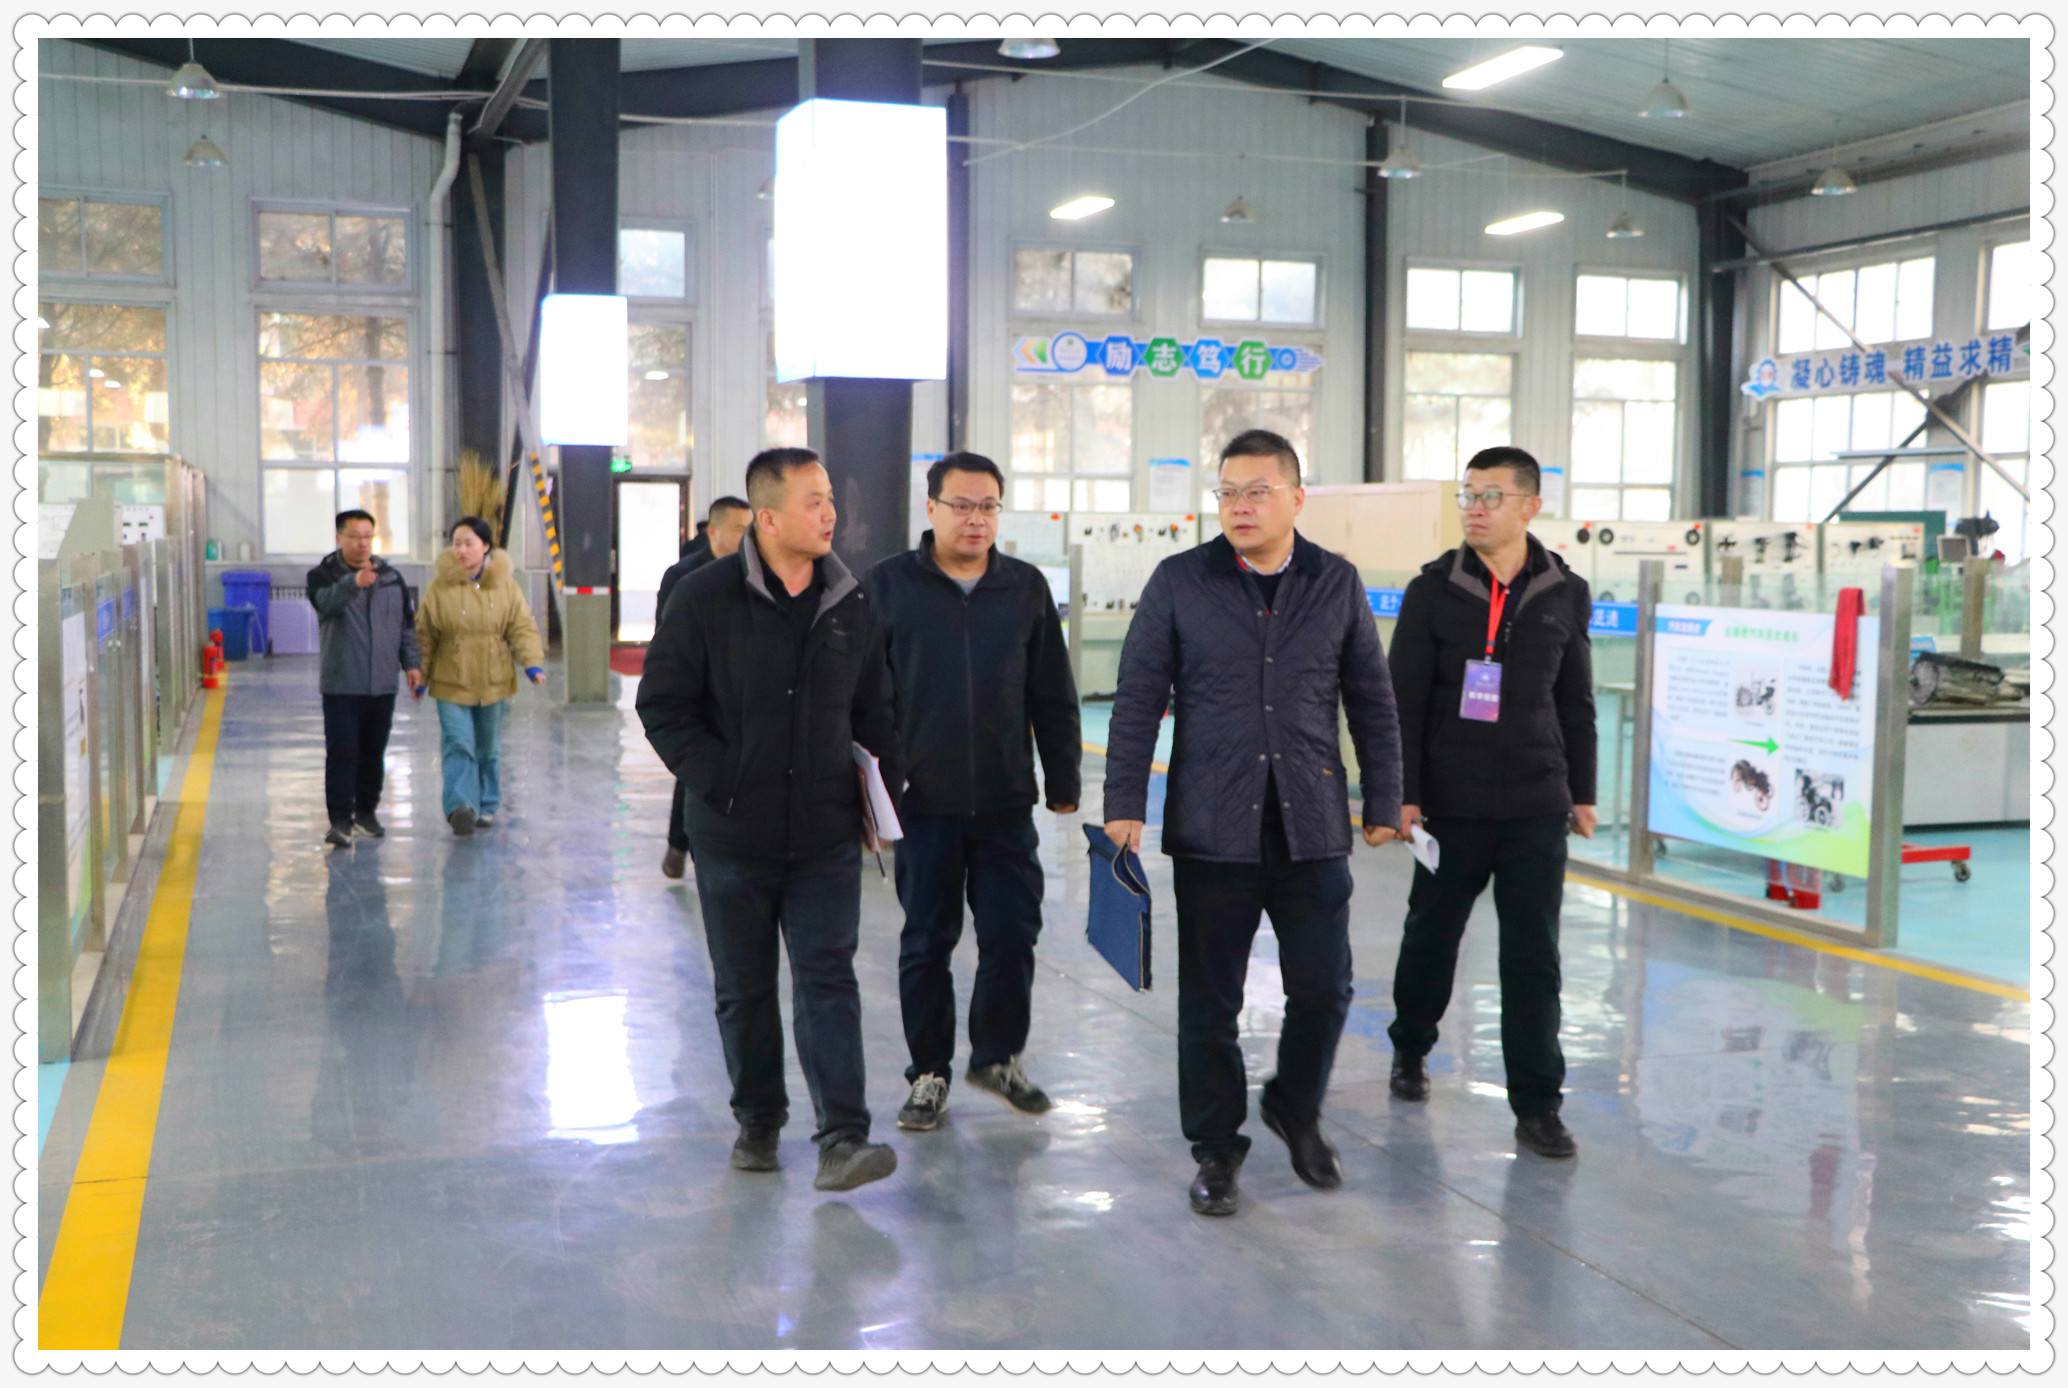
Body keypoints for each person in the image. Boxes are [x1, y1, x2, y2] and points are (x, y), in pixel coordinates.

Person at [1104, 429, 1401, 1217]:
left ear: (1297, 498)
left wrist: (1383, 798)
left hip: (1312, 823)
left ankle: (1294, 1107)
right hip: (1214, 826)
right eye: (1228, 492)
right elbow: (1137, 696)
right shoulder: (1180, 582)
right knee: (1211, 1005)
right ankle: (1215, 1150)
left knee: (1325, 988)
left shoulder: (1335, 583)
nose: (1240, 506)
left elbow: (1371, 699)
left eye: (1257, 491)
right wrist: (1123, 804)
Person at [636, 447, 903, 1192]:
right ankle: (758, 1121)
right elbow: (662, 705)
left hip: (824, 835)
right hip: (732, 838)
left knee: (828, 980)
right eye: (815, 501)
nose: (831, 514)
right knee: (744, 988)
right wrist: (721, 782)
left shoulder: (850, 600)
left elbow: (875, 709)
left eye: (831, 499)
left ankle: (844, 1137)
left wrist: (881, 795)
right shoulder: (704, 598)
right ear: (770, 517)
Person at [1383, 445, 1597, 1162]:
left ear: (1530, 506)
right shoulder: (1433, 590)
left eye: (1490, 497)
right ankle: (1411, 1046)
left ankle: (1537, 1104)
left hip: (1537, 800)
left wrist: (1583, 792)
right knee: (1432, 935)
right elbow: (1402, 702)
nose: (1474, 509)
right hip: (1452, 803)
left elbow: (1576, 699)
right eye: (1467, 496)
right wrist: (1403, 795)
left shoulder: (1565, 591)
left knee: (1533, 956)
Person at [863, 452, 1081, 1132]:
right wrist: (870, 794)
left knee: (1013, 933)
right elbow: (862, 698)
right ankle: (929, 1073)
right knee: (926, 942)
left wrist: (1064, 778)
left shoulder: (1024, 588)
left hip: (1005, 802)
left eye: (988, 506)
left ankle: (997, 1056)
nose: (976, 519)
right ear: (931, 508)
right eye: (962, 505)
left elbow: (1052, 691)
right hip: (921, 806)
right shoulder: (888, 586)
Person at [414, 516, 546, 837]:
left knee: (488, 748)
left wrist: (532, 663)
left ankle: (487, 803)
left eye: (469, 543)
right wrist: (420, 674)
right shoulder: (440, 587)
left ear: (486, 547)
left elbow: (521, 627)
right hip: (450, 678)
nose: (461, 550)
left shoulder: (505, 585)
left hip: (493, 679)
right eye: (456, 543)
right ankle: (461, 806)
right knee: (457, 743)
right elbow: (425, 634)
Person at [307, 510, 422, 848]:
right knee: (342, 751)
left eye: (367, 536)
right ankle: (340, 820)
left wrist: (412, 665)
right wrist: (351, 584)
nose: (362, 543)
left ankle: (367, 813)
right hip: (342, 683)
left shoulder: (391, 578)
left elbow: (405, 626)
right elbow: (325, 605)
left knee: (374, 752)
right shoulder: (323, 575)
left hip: (382, 683)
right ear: (339, 538)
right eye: (354, 536)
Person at [656, 495, 753, 880]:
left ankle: (688, 848)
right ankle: (682, 846)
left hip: (739, 691)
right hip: (697, 692)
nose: (747, 536)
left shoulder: (755, 572)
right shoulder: (683, 576)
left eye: (751, 529)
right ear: (713, 531)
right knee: (696, 772)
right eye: (739, 529)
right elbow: (668, 639)